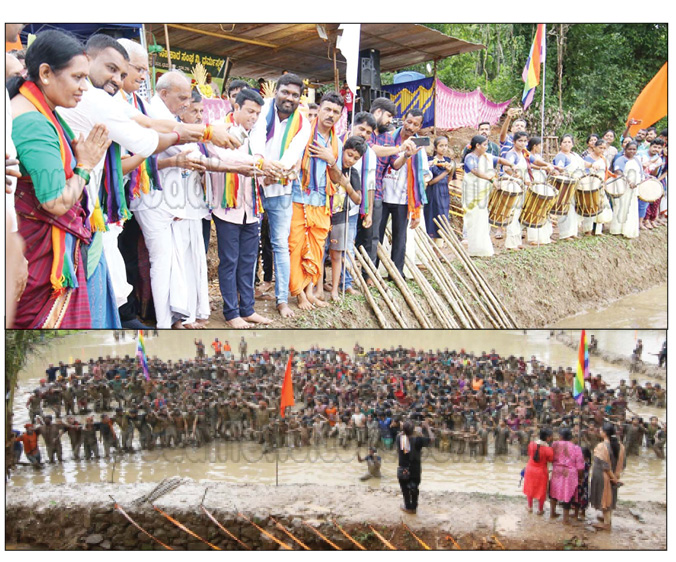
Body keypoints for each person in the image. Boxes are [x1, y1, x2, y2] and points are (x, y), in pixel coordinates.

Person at [9, 30, 111, 328]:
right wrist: (84, 165)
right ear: (45, 73)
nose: (84, 88)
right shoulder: (33, 122)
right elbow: (54, 201)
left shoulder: (36, 110)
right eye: (78, 77)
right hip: (38, 262)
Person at [249, 73, 312, 318]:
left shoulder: (302, 123)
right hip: (251, 185)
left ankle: (282, 301)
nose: (289, 98)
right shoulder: (261, 110)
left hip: (280, 189)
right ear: (277, 91)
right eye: (285, 92)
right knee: (249, 244)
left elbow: (292, 155)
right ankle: (245, 299)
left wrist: (273, 175)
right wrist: (261, 170)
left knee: (280, 244)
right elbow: (253, 144)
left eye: (295, 95)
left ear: (299, 98)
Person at [210, 87, 273, 328]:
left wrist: (269, 170)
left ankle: (247, 309)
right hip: (227, 207)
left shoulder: (254, 133)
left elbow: (258, 162)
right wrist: (259, 162)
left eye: (257, 113)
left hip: (251, 207)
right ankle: (231, 313)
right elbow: (226, 160)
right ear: (235, 107)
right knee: (229, 261)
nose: (253, 117)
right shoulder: (220, 130)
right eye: (249, 111)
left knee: (249, 260)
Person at [288, 91, 347, 310]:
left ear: (340, 116)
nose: (331, 115)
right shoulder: (302, 133)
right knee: (297, 247)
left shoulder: (336, 143)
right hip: (298, 197)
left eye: (336, 112)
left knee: (316, 249)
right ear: (319, 109)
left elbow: (336, 178)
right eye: (328, 109)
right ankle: (299, 296)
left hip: (322, 201)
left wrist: (331, 161)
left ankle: (310, 292)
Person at [378, 108, 431, 276]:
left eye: (415, 124)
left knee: (400, 238)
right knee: (377, 236)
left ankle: (397, 273)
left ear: (420, 127)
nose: (411, 127)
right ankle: (373, 271)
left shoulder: (420, 147)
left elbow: (422, 178)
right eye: (409, 122)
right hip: (383, 194)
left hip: (403, 198)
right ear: (403, 120)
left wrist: (417, 208)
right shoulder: (388, 138)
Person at [327, 136, 364, 301]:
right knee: (319, 253)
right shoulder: (330, 167)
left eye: (356, 158)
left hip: (341, 217)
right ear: (342, 150)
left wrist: (347, 185)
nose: (351, 160)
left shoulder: (353, 173)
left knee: (336, 255)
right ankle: (317, 287)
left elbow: (358, 199)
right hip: (324, 214)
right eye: (349, 155)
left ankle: (335, 289)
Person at [462, 135, 511, 257]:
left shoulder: (486, 157)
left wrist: (512, 165)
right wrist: (491, 178)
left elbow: (499, 160)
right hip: (472, 194)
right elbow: (475, 171)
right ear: (477, 146)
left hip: (483, 195)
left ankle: (483, 249)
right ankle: (475, 249)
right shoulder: (470, 157)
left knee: (483, 220)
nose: (487, 147)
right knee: (474, 219)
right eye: (485, 145)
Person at [590, 422, 626, 530]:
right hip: (614, 475)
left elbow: (605, 466)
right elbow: (623, 464)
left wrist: (613, 478)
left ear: (605, 433)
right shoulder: (621, 446)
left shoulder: (601, 447)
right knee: (611, 497)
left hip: (604, 476)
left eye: (601, 430)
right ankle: (607, 518)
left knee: (604, 497)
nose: (600, 432)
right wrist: (616, 477)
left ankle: (606, 524)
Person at [396, 419, 434, 514]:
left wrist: (407, 429)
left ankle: (408, 507)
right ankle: (414, 507)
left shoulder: (400, 438)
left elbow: (404, 436)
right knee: (414, 488)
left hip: (404, 468)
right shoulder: (418, 440)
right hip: (415, 468)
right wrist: (427, 427)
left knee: (405, 489)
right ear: (413, 430)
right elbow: (432, 439)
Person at [549, 427, 585, 524]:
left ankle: (552, 513)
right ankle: (565, 519)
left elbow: (550, 457)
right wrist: (580, 477)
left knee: (553, 491)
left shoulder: (555, 444)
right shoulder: (576, 448)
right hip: (570, 473)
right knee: (567, 495)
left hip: (557, 470)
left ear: (561, 436)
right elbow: (580, 466)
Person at [424, 136, 455, 245]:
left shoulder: (448, 161)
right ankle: (430, 246)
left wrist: (450, 171)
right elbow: (430, 182)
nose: (444, 148)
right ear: (436, 148)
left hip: (443, 193)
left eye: (446, 146)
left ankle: (439, 248)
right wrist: (445, 172)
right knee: (431, 216)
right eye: (441, 146)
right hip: (432, 193)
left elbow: (449, 180)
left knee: (443, 217)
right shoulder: (430, 161)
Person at [552, 134, 584, 240]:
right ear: (560, 144)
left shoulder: (575, 155)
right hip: (565, 185)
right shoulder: (561, 156)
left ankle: (573, 232)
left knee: (573, 208)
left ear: (573, 144)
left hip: (575, 185)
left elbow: (584, 164)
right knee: (566, 208)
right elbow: (559, 169)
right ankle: (565, 234)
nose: (567, 144)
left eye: (569, 142)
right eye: (564, 142)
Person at [503, 131, 530, 250]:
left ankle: (517, 241)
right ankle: (511, 243)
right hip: (513, 185)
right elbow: (507, 168)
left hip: (521, 186)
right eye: (520, 141)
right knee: (512, 213)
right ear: (514, 142)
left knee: (518, 213)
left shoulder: (523, 154)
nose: (522, 143)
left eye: (524, 141)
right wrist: (520, 177)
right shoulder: (511, 154)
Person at [609, 141, 642, 238]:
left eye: (634, 149)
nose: (632, 151)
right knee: (621, 207)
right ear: (625, 149)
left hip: (633, 188)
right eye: (630, 149)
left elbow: (640, 172)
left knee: (631, 208)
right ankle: (617, 229)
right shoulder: (621, 159)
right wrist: (628, 181)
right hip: (623, 187)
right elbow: (618, 171)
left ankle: (628, 230)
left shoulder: (637, 160)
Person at [523, 427, 554, 515]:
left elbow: (529, 454)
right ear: (547, 437)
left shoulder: (531, 444)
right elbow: (551, 460)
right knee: (541, 490)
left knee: (530, 487)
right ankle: (540, 510)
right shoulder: (548, 449)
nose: (551, 438)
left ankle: (529, 507)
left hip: (530, 469)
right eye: (551, 436)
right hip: (541, 471)